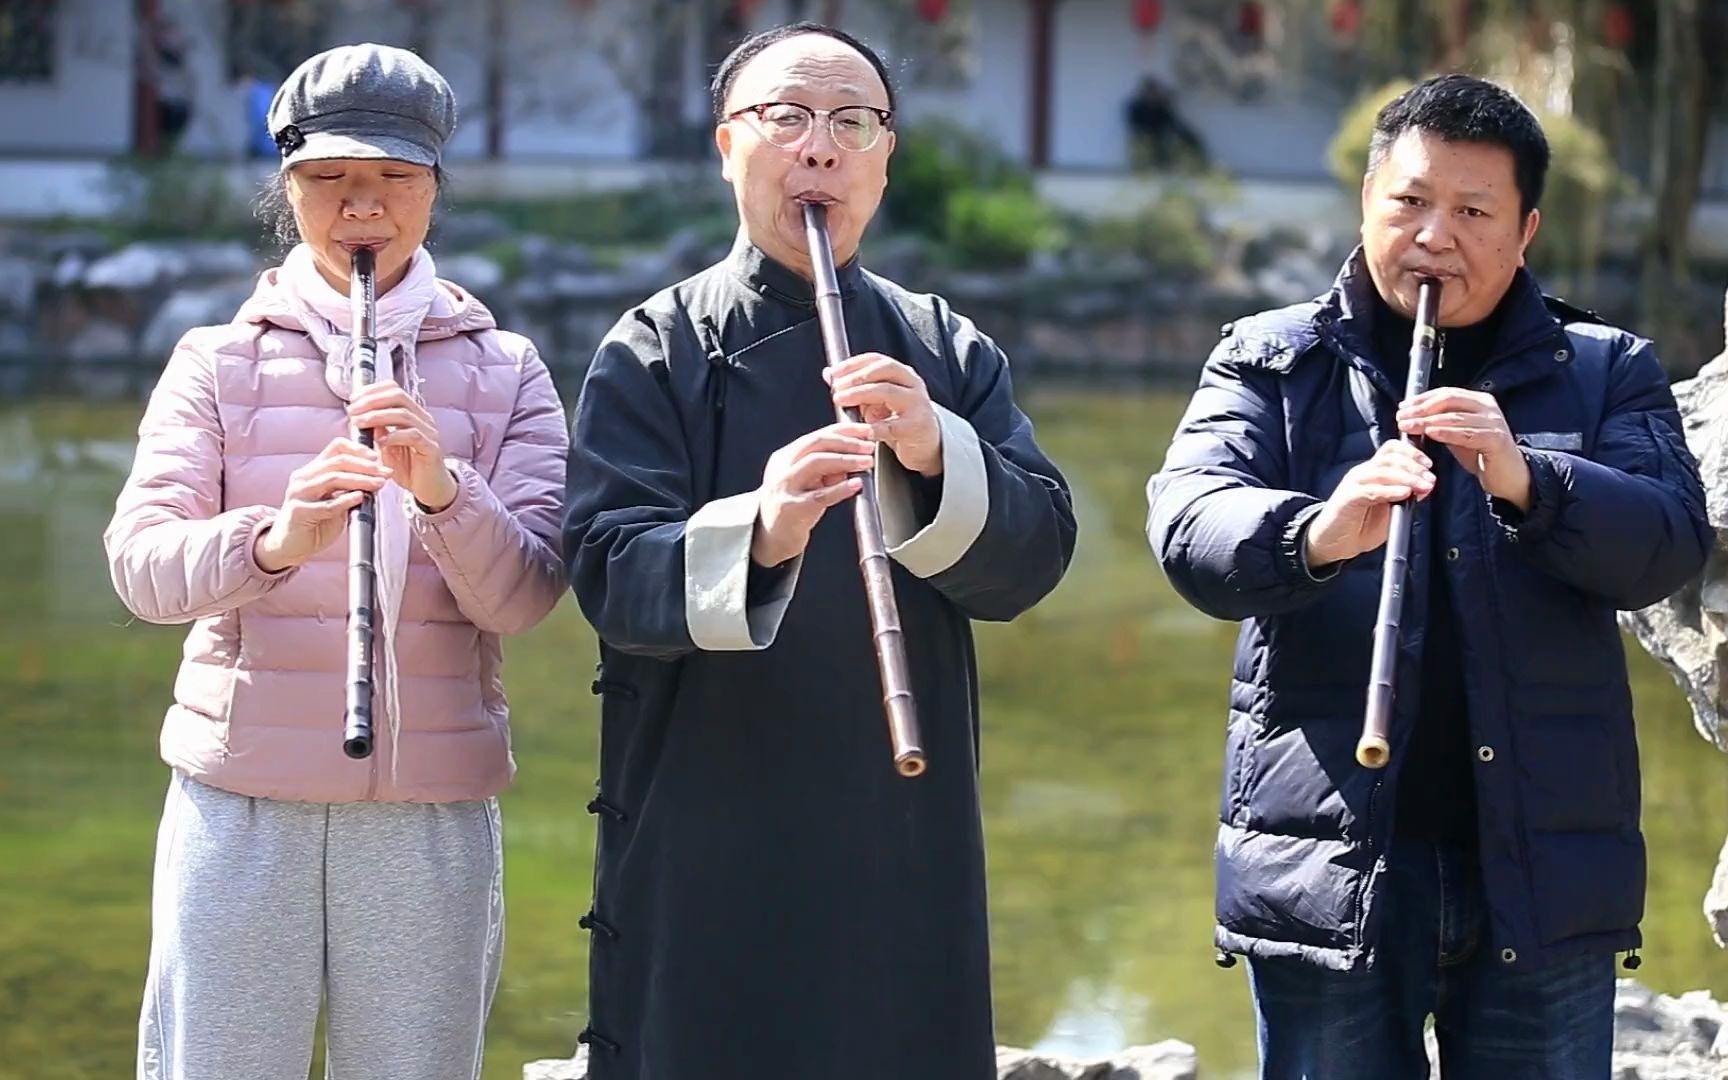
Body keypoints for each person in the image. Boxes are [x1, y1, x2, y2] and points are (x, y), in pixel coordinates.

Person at [1145, 73, 1710, 1079]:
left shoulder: (1605, 369)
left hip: (1542, 868)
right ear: (1367, 203)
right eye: (1408, 202)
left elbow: (1668, 542)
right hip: (1331, 867)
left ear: (1526, 231)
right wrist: (1319, 531)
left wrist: (1529, 479)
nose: (1434, 235)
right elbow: (1189, 524)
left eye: (1473, 211)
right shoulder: (1272, 360)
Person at [561, 21, 1077, 1080]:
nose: (821, 147)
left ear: (887, 156)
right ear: (725, 146)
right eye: (786, 118)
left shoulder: (945, 347)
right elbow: (608, 571)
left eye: (853, 123)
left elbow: (1038, 553)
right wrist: (766, 525)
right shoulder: (656, 346)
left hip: (902, 828)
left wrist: (937, 449)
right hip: (707, 824)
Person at [103, 43, 568, 1080]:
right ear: (288, 187)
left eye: (396, 179)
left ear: (436, 188)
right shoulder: (215, 362)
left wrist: (443, 487)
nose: (365, 206)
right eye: (331, 181)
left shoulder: (507, 371)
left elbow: (530, 593)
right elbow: (140, 567)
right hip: (242, 803)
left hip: (429, 808)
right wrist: (274, 541)